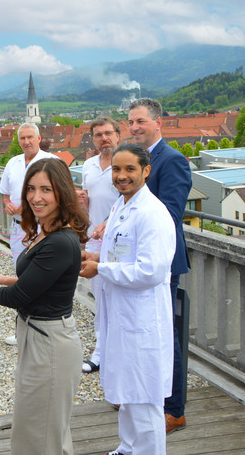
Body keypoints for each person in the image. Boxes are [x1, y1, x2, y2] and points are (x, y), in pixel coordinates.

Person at [0, 158, 87, 455]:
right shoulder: (46, 230)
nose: (36, 197)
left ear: (62, 192)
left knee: (40, 435)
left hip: (49, 343)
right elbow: (35, 281)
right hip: (37, 336)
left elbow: (17, 297)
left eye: (46, 189)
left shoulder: (60, 241)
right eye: (31, 189)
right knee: (42, 430)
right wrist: (1, 278)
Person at [80, 143, 175, 455]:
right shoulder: (121, 205)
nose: (122, 176)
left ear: (146, 171)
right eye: (117, 169)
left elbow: (150, 271)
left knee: (144, 397)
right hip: (120, 314)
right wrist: (96, 257)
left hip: (141, 318)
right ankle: (128, 447)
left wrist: (101, 269)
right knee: (127, 391)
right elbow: (122, 253)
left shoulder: (152, 214)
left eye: (130, 169)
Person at [128, 97, 191, 434]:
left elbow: (170, 214)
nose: (134, 127)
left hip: (162, 263)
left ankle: (174, 410)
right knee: (142, 332)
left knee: (166, 336)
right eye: (131, 122)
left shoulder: (173, 160)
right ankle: (147, 397)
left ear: (158, 123)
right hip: (135, 262)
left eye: (140, 121)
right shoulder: (134, 159)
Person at [0, 123, 57, 345]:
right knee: (21, 277)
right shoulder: (12, 163)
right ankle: (23, 329)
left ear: (39, 138)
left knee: (45, 278)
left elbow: (60, 196)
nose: (26, 142)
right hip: (18, 228)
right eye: (22, 138)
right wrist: (8, 204)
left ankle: (45, 328)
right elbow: (4, 194)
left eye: (30, 137)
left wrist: (28, 207)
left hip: (44, 228)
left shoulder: (52, 162)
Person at [78, 117, 121, 374]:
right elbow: (89, 200)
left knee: (118, 299)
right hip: (94, 241)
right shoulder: (89, 165)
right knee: (99, 299)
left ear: (117, 135)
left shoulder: (125, 163)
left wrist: (108, 222)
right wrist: (82, 198)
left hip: (119, 242)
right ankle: (100, 352)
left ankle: (114, 352)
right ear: (93, 139)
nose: (104, 138)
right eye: (98, 135)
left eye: (108, 133)